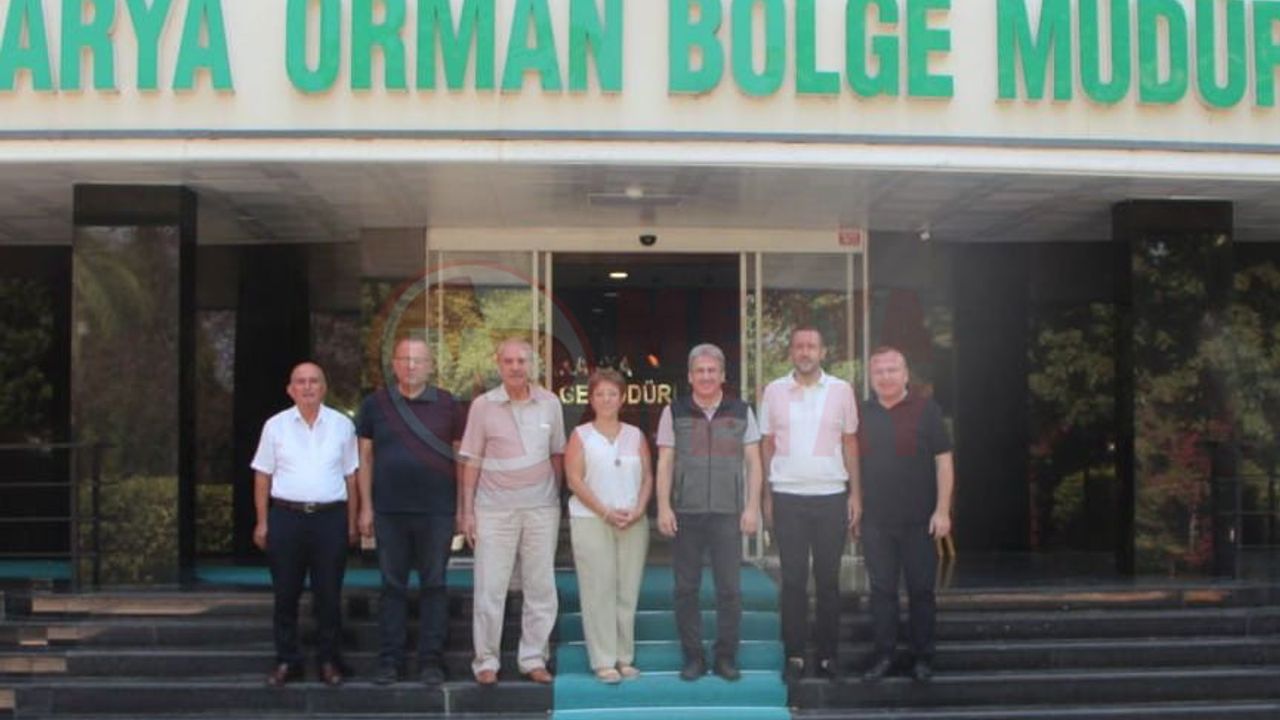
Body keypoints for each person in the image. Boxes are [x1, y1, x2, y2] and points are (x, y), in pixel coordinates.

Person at [356, 337, 464, 686]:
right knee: (392, 587)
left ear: (430, 366)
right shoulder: (375, 404)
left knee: (435, 585)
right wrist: (365, 507)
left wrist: (462, 508)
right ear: (394, 364)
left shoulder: (448, 404)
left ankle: (432, 661)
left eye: (418, 359)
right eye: (404, 359)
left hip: (437, 511)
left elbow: (461, 460)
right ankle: (391, 660)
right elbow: (365, 458)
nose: (411, 365)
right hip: (389, 511)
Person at [458, 338, 566, 686]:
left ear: (532, 365)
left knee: (541, 587)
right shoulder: (482, 406)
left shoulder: (550, 403)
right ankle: (486, 661)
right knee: (490, 587)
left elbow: (557, 455)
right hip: (493, 510)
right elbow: (471, 460)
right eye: (509, 361)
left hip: (541, 509)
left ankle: (533, 658)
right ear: (499, 365)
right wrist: (467, 511)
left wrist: (553, 497)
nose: (516, 367)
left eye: (522, 361)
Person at [655, 343, 763, 682]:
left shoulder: (742, 411)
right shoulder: (674, 411)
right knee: (685, 589)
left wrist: (752, 507)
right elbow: (665, 462)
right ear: (690, 376)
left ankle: (726, 657)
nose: (706, 376)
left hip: (728, 513)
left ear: (722, 375)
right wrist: (663, 506)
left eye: (711, 371)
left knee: (729, 590)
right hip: (686, 513)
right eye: (699, 371)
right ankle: (694, 658)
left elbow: (754, 462)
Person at [759, 327, 860, 682]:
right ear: (791, 352)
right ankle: (796, 655)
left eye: (811, 346)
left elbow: (850, 443)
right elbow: (766, 444)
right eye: (799, 346)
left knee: (828, 580)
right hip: (787, 495)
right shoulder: (773, 391)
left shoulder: (841, 390)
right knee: (793, 580)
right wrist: (766, 495)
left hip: (831, 495)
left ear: (823, 352)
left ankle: (829, 656)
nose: (805, 352)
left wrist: (856, 494)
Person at [251, 361, 358, 687]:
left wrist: (352, 522)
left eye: (314, 381)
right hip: (287, 518)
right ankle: (287, 660)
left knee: (329, 595)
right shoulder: (275, 426)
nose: (308, 387)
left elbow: (351, 477)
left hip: (330, 518)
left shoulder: (342, 425)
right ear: (290, 389)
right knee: (285, 594)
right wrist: (262, 522)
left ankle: (329, 661)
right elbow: (262, 475)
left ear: (324, 388)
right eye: (301, 381)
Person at [857, 346, 954, 683]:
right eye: (879, 371)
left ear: (905, 374)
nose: (885, 377)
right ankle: (884, 656)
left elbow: (944, 463)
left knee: (921, 590)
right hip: (875, 521)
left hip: (920, 520)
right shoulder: (861, 413)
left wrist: (943, 510)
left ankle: (922, 658)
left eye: (892, 370)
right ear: (871, 377)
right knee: (881, 591)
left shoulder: (928, 410)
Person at [564, 369, 654, 684]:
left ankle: (624, 657)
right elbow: (574, 480)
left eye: (612, 394)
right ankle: (603, 660)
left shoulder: (635, 435)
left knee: (627, 589)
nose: (606, 399)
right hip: (592, 520)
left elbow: (648, 477)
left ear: (622, 398)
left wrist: (639, 509)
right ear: (591, 399)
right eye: (600, 394)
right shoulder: (581, 435)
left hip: (632, 521)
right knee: (598, 589)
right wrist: (604, 512)